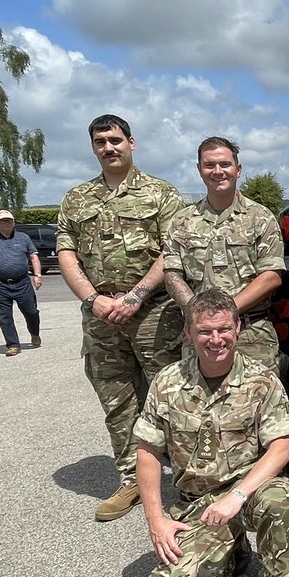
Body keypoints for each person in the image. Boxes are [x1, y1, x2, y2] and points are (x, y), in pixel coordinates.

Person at [133, 288, 289, 577]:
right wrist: (156, 521)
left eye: (224, 329)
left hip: (249, 491)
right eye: (205, 331)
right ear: (188, 332)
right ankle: (232, 551)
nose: (216, 339)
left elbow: (281, 448)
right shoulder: (167, 383)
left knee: (281, 497)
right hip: (197, 504)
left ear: (238, 328)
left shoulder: (262, 381)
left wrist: (238, 496)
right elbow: (147, 451)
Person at [57, 114, 185, 522]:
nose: (109, 147)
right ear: (93, 148)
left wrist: (135, 296)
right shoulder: (77, 199)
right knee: (116, 400)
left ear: (132, 142)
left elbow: (172, 252)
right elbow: (66, 254)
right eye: (100, 142)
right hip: (100, 317)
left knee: (172, 397)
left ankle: (189, 481)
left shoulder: (161, 194)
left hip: (154, 313)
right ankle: (131, 478)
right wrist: (93, 299)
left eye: (115, 140)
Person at [164, 137, 284, 369]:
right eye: (209, 165)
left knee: (258, 401)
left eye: (225, 164)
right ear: (199, 170)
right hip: (200, 337)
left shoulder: (260, 217)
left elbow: (271, 276)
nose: (218, 171)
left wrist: (224, 315)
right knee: (198, 402)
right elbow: (171, 274)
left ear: (237, 170)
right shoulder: (182, 221)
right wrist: (200, 316)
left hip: (251, 335)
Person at [0, 210, 43, 356]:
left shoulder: (23, 238)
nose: (7, 223)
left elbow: (33, 257)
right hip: (0, 285)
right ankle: (13, 345)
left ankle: (34, 333)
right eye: (3, 221)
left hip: (22, 282)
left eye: (9, 221)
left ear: (14, 222)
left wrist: (37, 275)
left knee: (31, 312)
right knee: (4, 317)